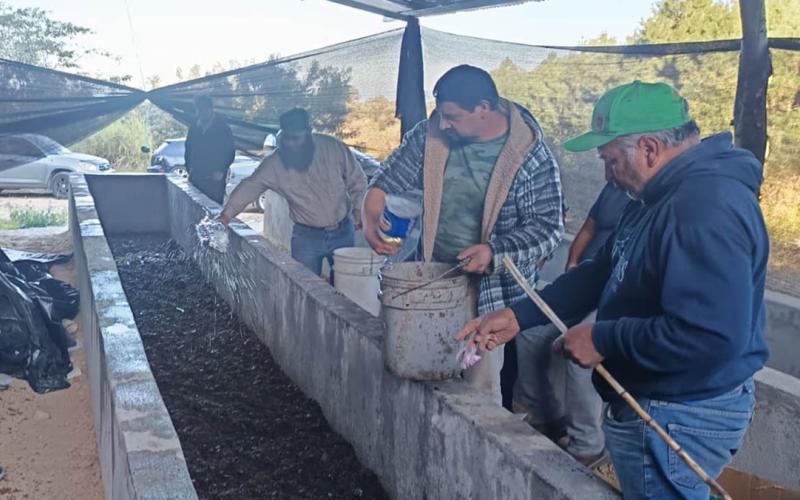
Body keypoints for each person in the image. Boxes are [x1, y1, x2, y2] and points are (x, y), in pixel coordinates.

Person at [458, 81, 769, 499]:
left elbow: (710, 335)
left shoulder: (704, 207)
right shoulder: (657, 196)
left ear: (649, 149)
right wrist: (520, 315)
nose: (608, 174)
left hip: (675, 412)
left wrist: (604, 337)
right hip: (660, 402)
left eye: (610, 160)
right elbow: (602, 269)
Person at [364, 65, 564, 406]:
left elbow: (547, 228)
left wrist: (494, 252)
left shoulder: (529, 154)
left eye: (452, 117)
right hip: (434, 273)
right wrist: (372, 205)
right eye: (442, 116)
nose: (443, 124)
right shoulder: (434, 134)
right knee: (414, 358)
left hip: (491, 289)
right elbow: (392, 174)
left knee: (478, 382)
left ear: (483, 109)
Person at [514, 169, 628, 466]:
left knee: (580, 355)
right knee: (530, 334)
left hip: (618, 300)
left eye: (611, 156)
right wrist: (574, 263)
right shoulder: (617, 189)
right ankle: (542, 419)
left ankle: (588, 446)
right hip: (591, 286)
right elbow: (590, 230)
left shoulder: (663, 203)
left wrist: (600, 335)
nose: (606, 166)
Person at [219, 108, 367, 279]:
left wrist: (358, 208)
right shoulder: (274, 163)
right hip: (306, 237)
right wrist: (226, 215)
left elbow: (358, 180)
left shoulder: (333, 148)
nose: (291, 144)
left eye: (296, 139)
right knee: (304, 286)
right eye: (287, 139)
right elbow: (250, 187)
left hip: (343, 231)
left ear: (309, 133)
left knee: (345, 286)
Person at [184, 95, 235, 204]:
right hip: (196, 178)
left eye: (204, 109)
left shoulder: (223, 128)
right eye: (199, 110)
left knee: (214, 211)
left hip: (215, 180)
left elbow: (230, 152)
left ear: (211, 109)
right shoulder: (193, 128)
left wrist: (221, 170)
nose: (202, 113)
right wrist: (189, 169)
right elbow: (188, 150)